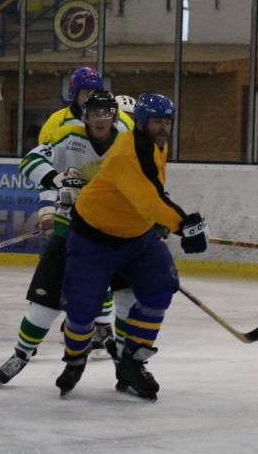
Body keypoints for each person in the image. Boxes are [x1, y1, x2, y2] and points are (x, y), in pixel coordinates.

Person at [54, 92, 209, 401]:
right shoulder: (129, 152)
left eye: (167, 122)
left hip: (137, 238)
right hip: (93, 239)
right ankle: (75, 359)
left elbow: (151, 195)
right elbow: (149, 200)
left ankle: (132, 364)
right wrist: (182, 225)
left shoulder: (155, 144)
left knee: (161, 288)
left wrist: (165, 221)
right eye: (156, 122)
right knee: (82, 309)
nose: (163, 128)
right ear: (140, 122)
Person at [0, 90, 127, 385]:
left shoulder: (127, 144)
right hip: (69, 234)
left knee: (122, 299)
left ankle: (125, 361)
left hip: (107, 237)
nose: (101, 119)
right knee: (43, 306)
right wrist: (56, 180)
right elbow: (30, 161)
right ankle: (21, 354)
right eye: (95, 113)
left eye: (107, 113)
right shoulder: (69, 138)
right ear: (85, 117)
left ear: (115, 116)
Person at [38, 66, 135, 145]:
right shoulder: (57, 122)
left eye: (95, 92)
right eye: (86, 92)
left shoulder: (122, 121)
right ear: (75, 94)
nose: (91, 96)